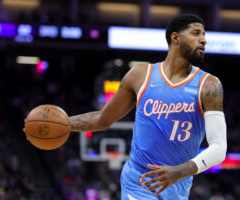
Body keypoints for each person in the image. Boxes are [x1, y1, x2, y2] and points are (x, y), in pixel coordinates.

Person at [69, 14, 227, 200]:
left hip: (177, 186)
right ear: (175, 37)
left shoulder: (209, 85)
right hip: (138, 181)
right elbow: (102, 119)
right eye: (196, 33)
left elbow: (219, 148)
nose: (204, 40)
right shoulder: (140, 75)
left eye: (204, 34)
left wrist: (179, 171)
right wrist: (64, 123)